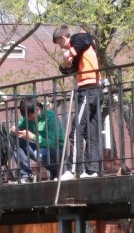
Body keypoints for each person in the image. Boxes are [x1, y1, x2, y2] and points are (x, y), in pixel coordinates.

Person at [54, 25, 105, 178]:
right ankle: (92, 170)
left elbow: (87, 37)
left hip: (88, 90)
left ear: (63, 38)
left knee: (76, 131)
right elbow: (70, 69)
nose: (60, 47)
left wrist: (69, 52)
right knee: (92, 132)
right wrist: (64, 65)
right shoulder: (80, 51)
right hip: (95, 90)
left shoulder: (78, 39)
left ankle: (73, 169)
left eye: (59, 43)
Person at [11, 96, 62, 181]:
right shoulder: (27, 116)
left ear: (37, 109)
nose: (28, 119)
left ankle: (57, 171)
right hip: (38, 148)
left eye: (30, 116)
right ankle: (26, 175)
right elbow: (15, 131)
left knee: (39, 154)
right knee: (17, 140)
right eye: (26, 117)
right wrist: (13, 131)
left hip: (55, 149)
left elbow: (53, 143)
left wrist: (32, 137)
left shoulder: (51, 118)